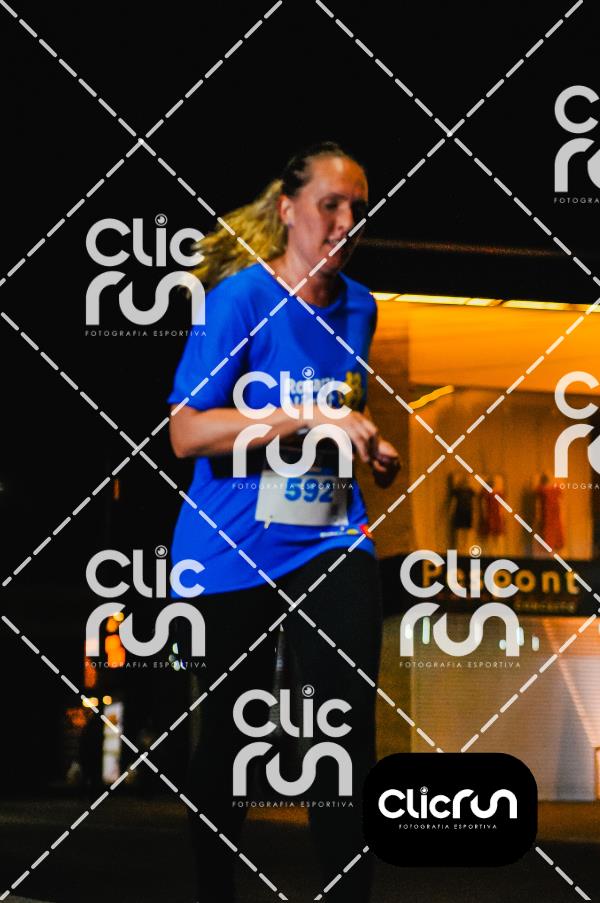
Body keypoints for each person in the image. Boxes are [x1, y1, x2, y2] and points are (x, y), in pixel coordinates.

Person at [168, 142, 400, 903]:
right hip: (231, 544)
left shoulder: (360, 307)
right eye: (330, 205)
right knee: (235, 733)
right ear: (288, 210)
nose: (346, 222)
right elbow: (187, 433)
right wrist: (303, 417)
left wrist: (368, 441)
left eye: (358, 208)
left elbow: (342, 404)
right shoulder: (238, 300)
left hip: (330, 534)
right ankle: (214, 890)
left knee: (344, 728)